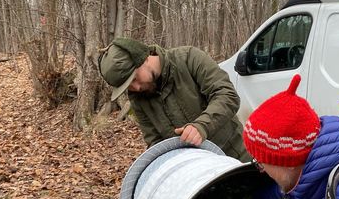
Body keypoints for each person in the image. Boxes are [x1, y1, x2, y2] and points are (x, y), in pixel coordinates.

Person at [98, 37, 250, 162]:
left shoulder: (189, 58)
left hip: (234, 157)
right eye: (128, 87)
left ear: (143, 58)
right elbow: (155, 141)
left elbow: (227, 95)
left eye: (134, 79)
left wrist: (201, 126)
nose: (136, 88)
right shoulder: (138, 99)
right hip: (195, 173)